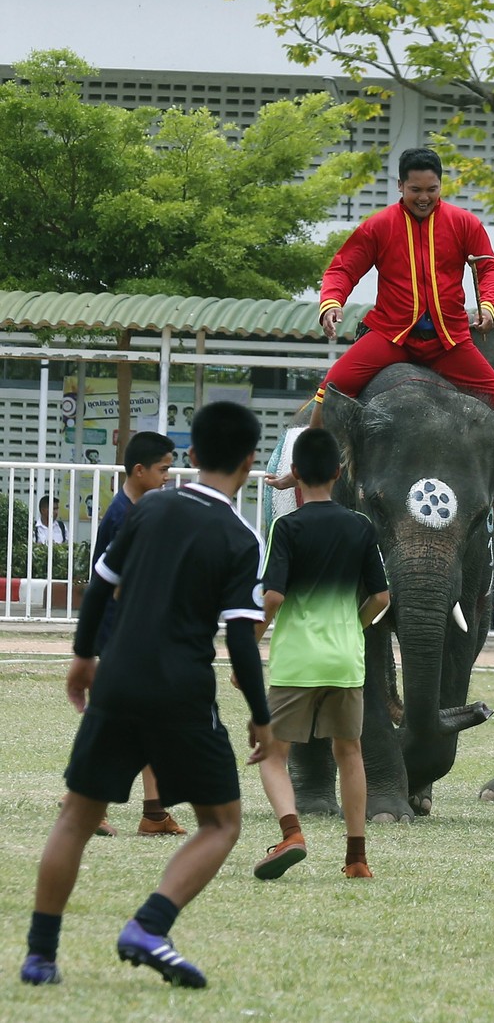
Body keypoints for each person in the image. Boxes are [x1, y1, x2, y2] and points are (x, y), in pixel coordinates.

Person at [20, 401, 273, 990]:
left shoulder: (150, 506)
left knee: (77, 818)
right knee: (221, 823)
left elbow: (100, 585)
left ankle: (39, 955)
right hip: (182, 690)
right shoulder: (240, 536)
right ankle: (149, 926)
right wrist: (261, 717)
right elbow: (239, 634)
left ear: (190, 456)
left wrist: (84, 656)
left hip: (118, 677)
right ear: (249, 460)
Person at [274, 147, 494, 504]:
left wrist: (488, 305)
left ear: (441, 186)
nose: (424, 198)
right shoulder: (379, 226)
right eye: (416, 190)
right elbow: (342, 269)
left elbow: (489, 268)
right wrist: (332, 303)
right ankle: (302, 472)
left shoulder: (463, 223)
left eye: (431, 189)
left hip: (448, 338)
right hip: (392, 334)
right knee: (330, 388)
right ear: (400, 187)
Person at [251, 427, 390, 882]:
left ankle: (292, 833)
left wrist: (249, 644)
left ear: (294, 473)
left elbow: (272, 598)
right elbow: (382, 598)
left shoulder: (286, 527)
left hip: (296, 660)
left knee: (272, 753)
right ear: (339, 472)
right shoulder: (360, 526)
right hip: (346, 660)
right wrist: (356, 624)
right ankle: (356, 859)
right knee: (349, 752)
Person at [88, 431, 183, 838]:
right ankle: (90, 806)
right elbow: (116, 582)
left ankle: (154, 812)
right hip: (122, 632)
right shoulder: (123, 516)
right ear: (140, 470)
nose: (167, 476)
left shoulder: (134, 510)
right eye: (163, 469)